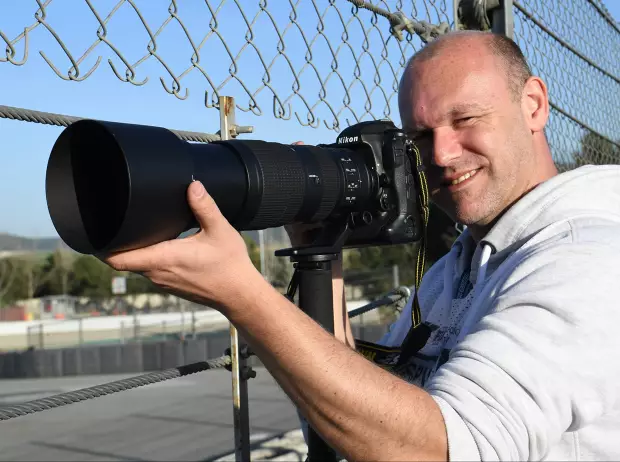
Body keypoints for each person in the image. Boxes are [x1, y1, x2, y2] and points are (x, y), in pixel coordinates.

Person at [101, 30, 620, 460]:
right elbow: (366, 418)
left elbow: (443, 449)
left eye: (465, 120)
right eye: (419, 135)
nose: (440, 154)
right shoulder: (461, 266)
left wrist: (242, 295)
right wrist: (319, 255)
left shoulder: (585, 261)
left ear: (533, 105)